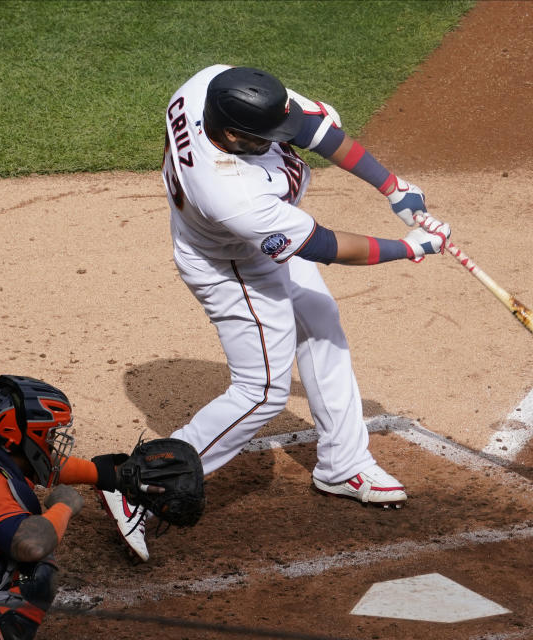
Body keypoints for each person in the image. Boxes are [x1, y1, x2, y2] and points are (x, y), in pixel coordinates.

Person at [98, 64, 450, 561]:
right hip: (235, 265)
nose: (282, 138)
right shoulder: (231, 195)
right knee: (261, 391)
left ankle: (342, 463)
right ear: (233, 134)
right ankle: (139, 484)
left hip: (260, 242)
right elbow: (324, 246)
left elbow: (312, 127)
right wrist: (410, 248)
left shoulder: (214, 84)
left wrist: (394, 187)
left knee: (321, 325)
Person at [0, 375, 134, 640]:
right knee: (26, 565)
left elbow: (40, 466)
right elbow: (31, 544)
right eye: (50, 435)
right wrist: (65, 505)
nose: (54, 443)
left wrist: (108, 474)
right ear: (25, 437)